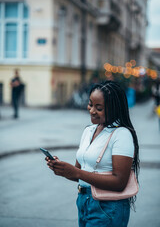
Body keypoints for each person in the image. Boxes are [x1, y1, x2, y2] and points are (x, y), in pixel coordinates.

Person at [45, 80, 140, 227]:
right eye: (90, 104)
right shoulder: (89, 131)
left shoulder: (121, 134)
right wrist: (62, 169)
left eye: (99, 107)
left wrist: (77, 173)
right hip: (83, 201)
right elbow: (80, 172)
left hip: (108, 207)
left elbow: (120, 182)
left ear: (113, 108)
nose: (91, 110)